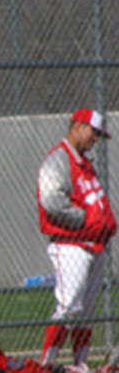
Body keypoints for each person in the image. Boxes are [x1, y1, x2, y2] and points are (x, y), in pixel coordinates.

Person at [38, 108, 116, 369]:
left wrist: (101, 223)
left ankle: (80, 364)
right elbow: (51, 201)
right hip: (70, 245)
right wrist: (86, 220)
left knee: (86, 312)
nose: (95, 140)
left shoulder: (83, 162)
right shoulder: (59, 159)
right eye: (94, 133)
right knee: (69, 306)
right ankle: (46, 365)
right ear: (79, 127)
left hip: (94, 244)